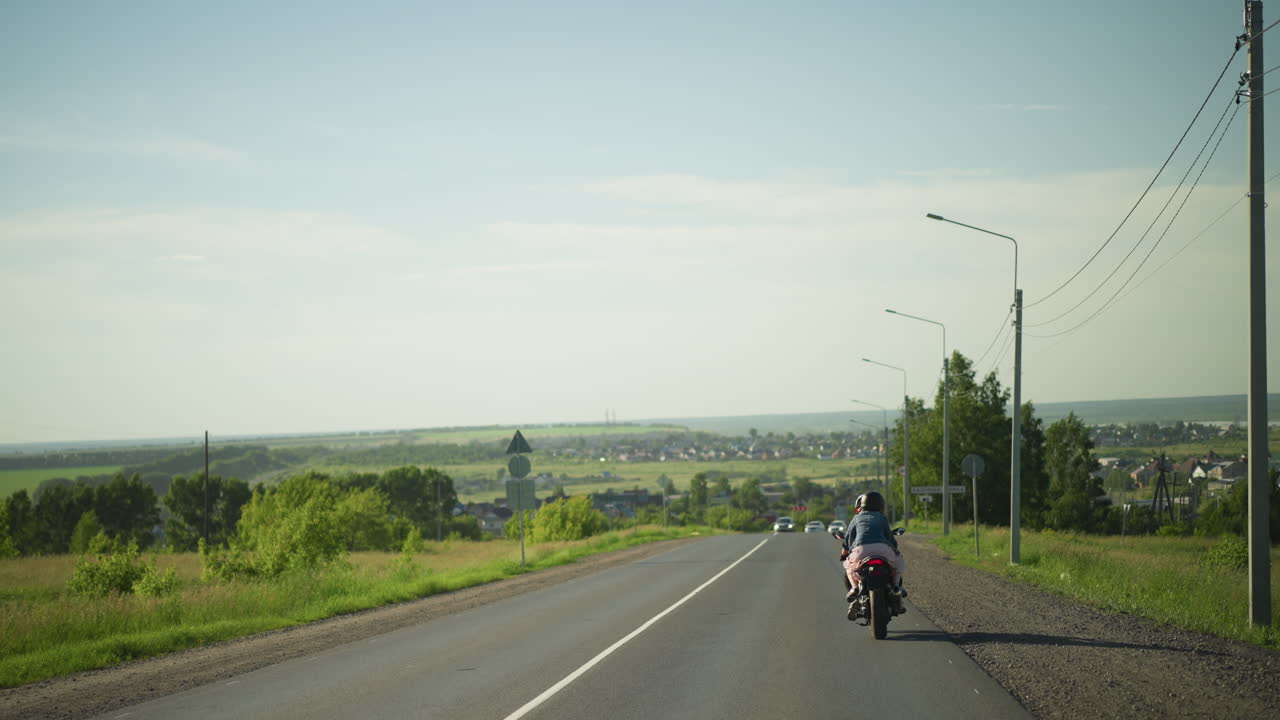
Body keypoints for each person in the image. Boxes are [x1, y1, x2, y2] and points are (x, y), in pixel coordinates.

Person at [840, 491, 906, 620]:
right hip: (883, 549)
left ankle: (854, 588)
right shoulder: (882, 518)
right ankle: (896, 586)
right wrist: (895, 550)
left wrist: (844, 553)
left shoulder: (856, 518)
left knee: (849, 566)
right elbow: (890, 538)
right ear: (881, 505)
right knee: (898, 564)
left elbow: (848, 540)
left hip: (861, 550)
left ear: (862, 504)